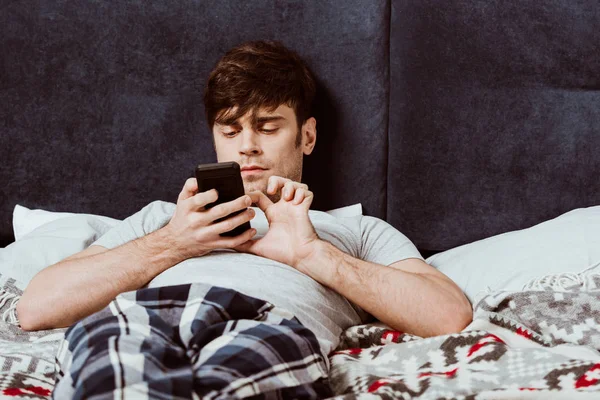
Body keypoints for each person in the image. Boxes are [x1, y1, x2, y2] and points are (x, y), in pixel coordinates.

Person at [18, 40, 472, 362]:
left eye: (268, 127)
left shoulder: (352, 231)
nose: (246, 147)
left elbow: (448, 314)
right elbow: (34, 308)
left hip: (263, 332)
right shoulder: (164, 219)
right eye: (230, 131)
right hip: (140, 325)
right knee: (112, 361)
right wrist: (175, 243)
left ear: (307, 136)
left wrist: (311, 254)